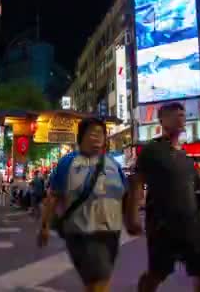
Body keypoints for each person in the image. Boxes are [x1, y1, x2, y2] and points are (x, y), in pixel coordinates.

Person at [130, 102, 200, 292]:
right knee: (157, 273)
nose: (181, 118)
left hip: (191, 223)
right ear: (162, 120)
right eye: (174, 115)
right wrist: (132, 216)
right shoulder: (151, 150)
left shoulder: (186, 157)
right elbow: (137, 182)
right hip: (162, 225)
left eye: (182, 114)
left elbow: (196, 189)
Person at [38, 117, 133, 292]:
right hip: (81, 232)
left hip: (111, 233)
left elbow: (125, 195)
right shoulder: (68, 162)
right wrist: (44, 226)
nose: (97, 137)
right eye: (92, 133)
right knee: (100, 281)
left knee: (95, 283)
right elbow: (53, 197)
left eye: (101, 133)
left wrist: (131, 220)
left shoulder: (113, 163)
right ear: (81, 137)